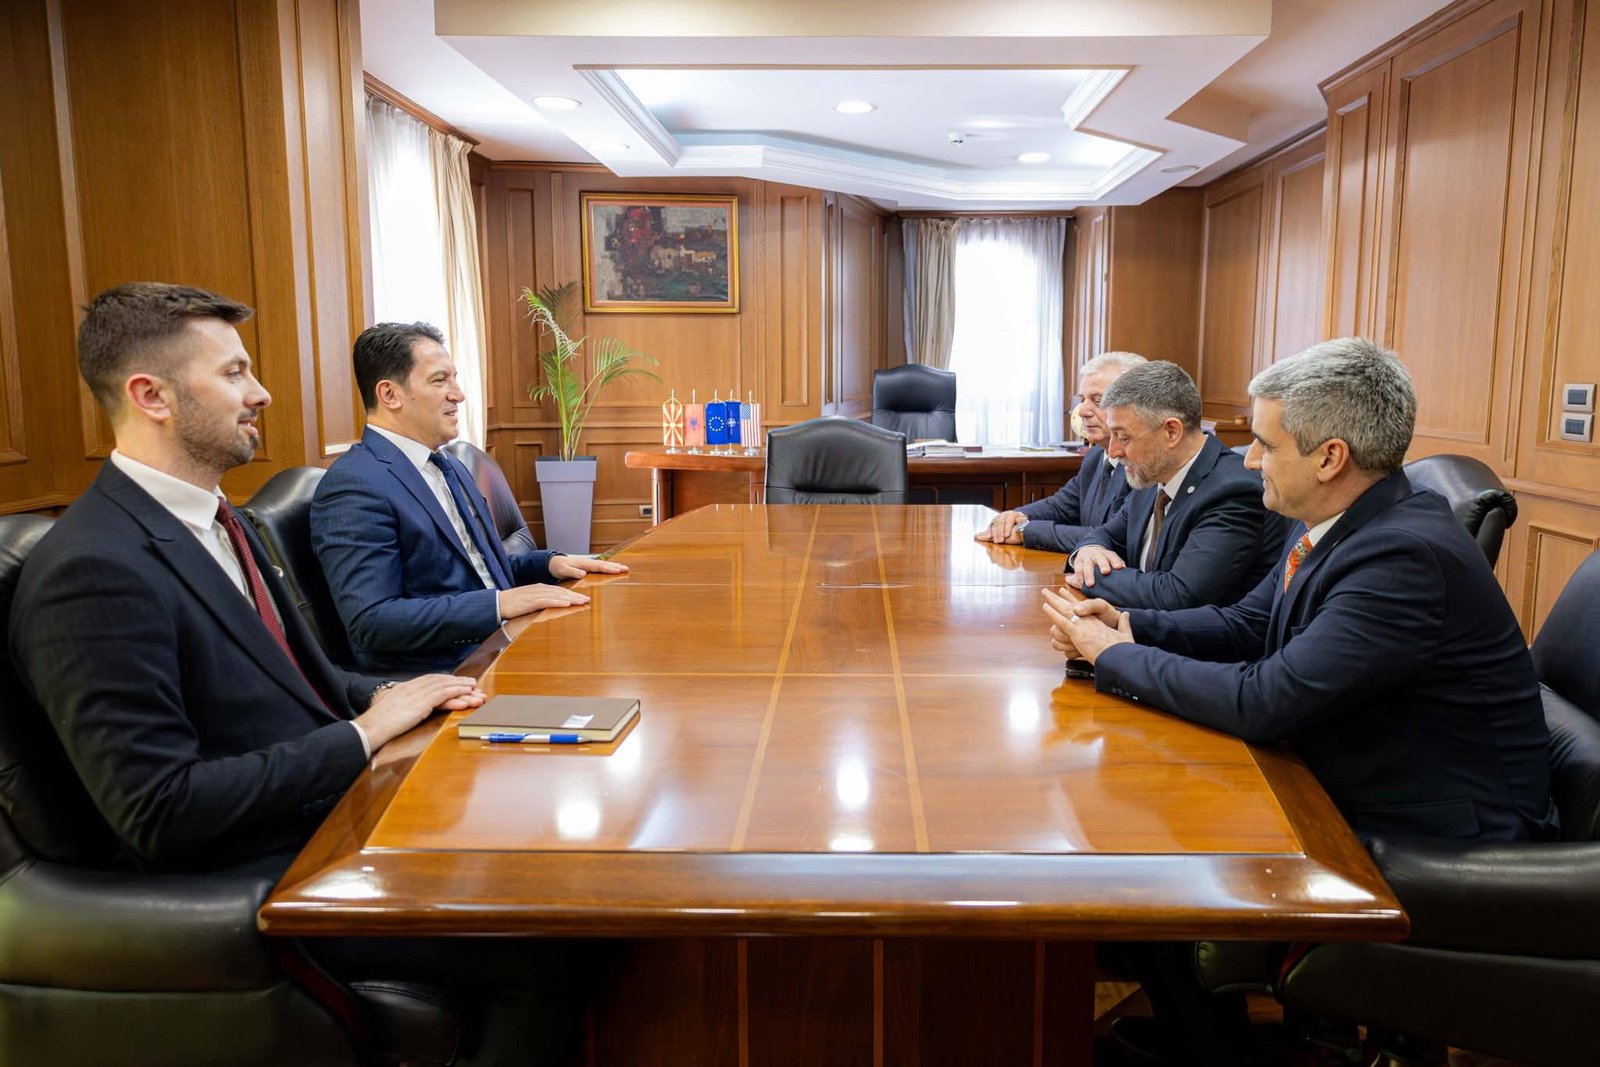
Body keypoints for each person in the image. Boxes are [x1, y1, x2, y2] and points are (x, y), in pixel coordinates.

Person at [1045, 338, 1555, 1065]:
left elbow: (1266, 700)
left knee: (1163, 863)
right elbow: (1248, 625)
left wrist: (1115, 658)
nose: (1249, 459)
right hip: (1367, 776)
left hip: (1435, 835)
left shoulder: (1401, 556)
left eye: (1265, 442)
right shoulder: (1340, 526)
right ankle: (1198, 1037)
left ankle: (1211, 1048)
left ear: (1329, 457)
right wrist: (1129, 626)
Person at [9, 283, 485, 876]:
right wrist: (363, 735)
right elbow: (162, 811)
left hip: (340, 806)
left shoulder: (219, 519)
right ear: (151, 396)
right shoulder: (91, 572)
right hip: (277, 868)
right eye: (234, 373)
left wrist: (393, 695)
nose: (261, 393)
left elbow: (295, 680)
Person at [311, 322, 625, 673]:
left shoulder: (448, 465)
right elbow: (373, 621)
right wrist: (498, 605)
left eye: (454, 379)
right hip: (452, 671)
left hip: (507, 641)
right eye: (439, 381)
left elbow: (479, 572)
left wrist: (550, 564)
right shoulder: (355, 485)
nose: (458, 395)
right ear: (390, 395)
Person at [1064, 361, 1288, 610]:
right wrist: (1089, 550)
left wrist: (1091, 577)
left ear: (1171, 432)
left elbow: (1176, 595)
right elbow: (1104, 534)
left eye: (1123, 437)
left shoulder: (1234, 492)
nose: (1114, 451)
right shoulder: (1153, 473)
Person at [976, 351, 1144, 552]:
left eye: (1098, 400)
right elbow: (1059, 506)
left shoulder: (1143, 464)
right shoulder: (1095, 456)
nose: (1082, 411)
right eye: (1082, 399)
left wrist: (1025, 531)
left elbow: (1114, 538)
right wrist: (1015, 516)